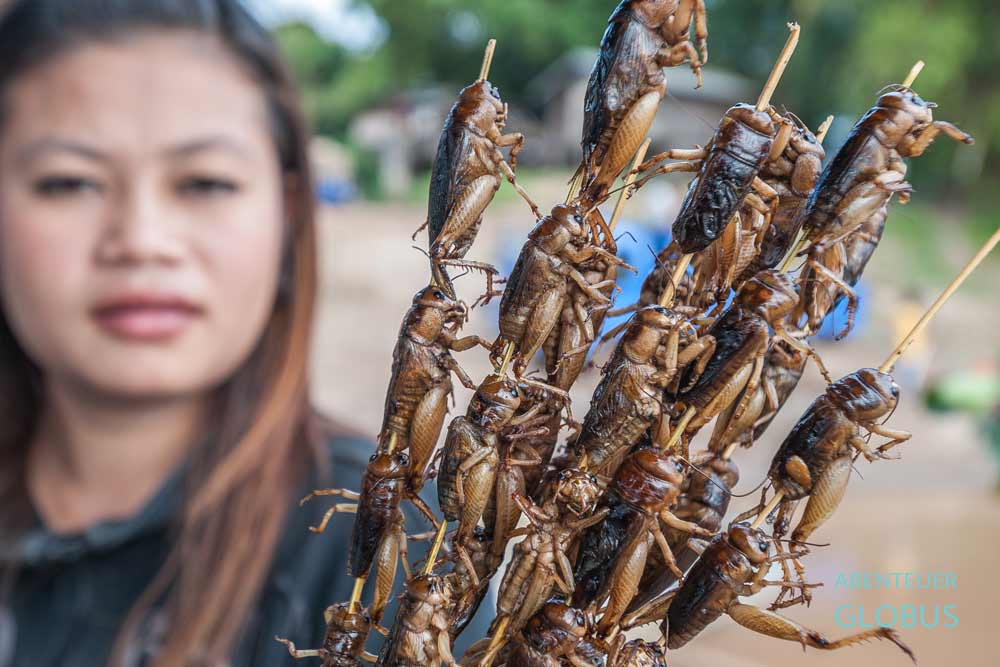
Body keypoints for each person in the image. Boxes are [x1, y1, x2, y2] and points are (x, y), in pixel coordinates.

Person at [0, 1, 435, 665]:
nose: (141, 241)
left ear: (288, 214)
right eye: (70, 182)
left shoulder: (390, 537)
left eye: (205, 182)